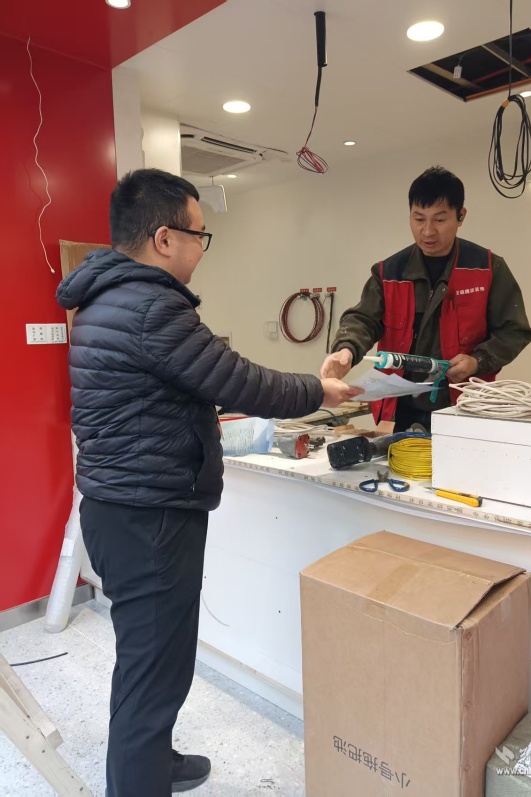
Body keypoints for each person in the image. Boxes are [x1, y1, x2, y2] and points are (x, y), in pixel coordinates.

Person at [56, 168, 359, 797]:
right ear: (164, 238)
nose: (202, 247)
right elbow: (239, 381)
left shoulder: (102, 299)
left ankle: (155, 761)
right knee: (152, 672)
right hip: (151, 517)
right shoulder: (152, 305)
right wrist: (319, 390)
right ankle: (139, 780)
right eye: (200, 234)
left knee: (149, 661)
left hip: (118, 507)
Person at [320, 166, 531, 431]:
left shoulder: (488, 268)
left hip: (464, 404)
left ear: (461, 216)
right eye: (419, 219)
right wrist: (346, 349)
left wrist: (478, 360)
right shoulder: (389, 272)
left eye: (439, 220)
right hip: (402, 407)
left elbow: (514, 331)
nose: (428, 231)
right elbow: (363, 319)